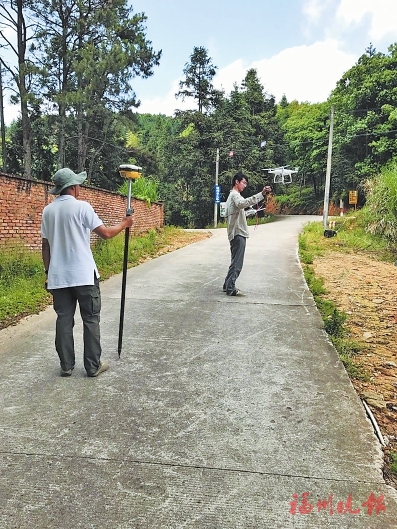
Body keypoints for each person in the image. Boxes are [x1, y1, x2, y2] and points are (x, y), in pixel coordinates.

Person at [41, 167, 134, 378]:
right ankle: (93, 366)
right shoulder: (82, 207)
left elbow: (45, 246)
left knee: (63, 319)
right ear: (73, 187)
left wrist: (48, 272)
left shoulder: (48, 211)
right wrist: (125, 223)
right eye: (78, 185)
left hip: (59, 276)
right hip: (83, 275)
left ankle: (66, 365)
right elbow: (106, 234)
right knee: (90, 318)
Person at [223, 172, 271, 296]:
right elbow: (242, 203)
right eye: (243, 182)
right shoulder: (235, 195)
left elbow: (238, 212)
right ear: (236, 182)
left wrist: (250, 212)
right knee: (237, 262)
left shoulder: (231, 197)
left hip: (235, 233)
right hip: (238, 233)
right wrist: (261, 194)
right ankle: (230, 287)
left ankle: (227, 284)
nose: (245, 185)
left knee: (234, 260)